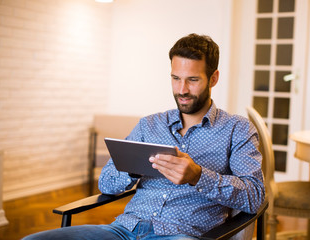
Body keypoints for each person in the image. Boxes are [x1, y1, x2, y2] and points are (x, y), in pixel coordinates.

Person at [23, 33, 265, 240]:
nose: (182, 90)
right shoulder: (149, 124)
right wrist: (131, 167)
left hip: (180, 233)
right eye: (175, 78)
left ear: (213, 78)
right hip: (123, 230)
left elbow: (254, 197)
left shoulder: (237, 130)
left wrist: (198, 176)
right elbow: (106, 183)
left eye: (192, 80)